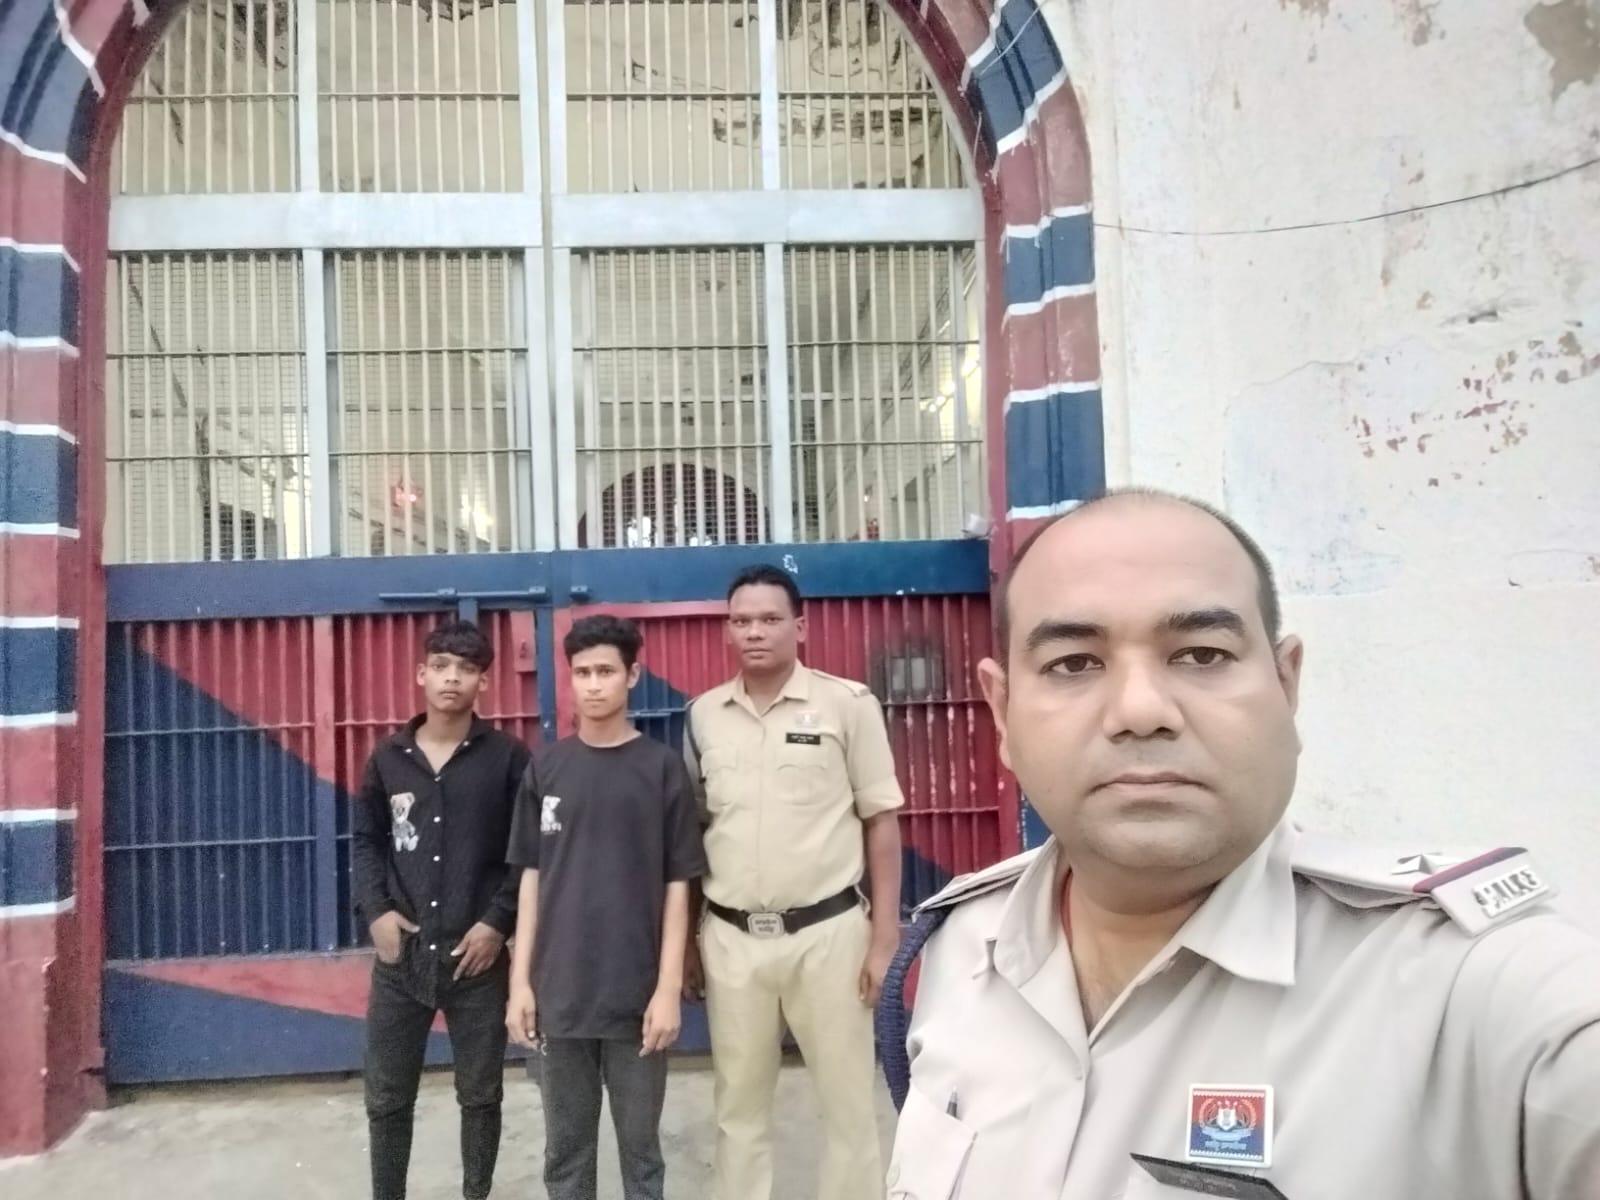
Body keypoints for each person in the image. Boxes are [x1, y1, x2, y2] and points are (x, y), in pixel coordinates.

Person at [878, 488, 1600, 1199]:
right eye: (1074, 663)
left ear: (1286, 685)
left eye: (1201, 654)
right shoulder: (961, 948)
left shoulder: (1472, 990)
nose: (1140, 710)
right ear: (1002, 712)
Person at [683, 563, 905, 1200]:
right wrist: (693, 942)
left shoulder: (847, 706)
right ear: (727, 630)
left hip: (829, 937)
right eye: (742, 621)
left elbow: (880, 822)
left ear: (800, 627)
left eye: (770, 619)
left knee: (848, 1108)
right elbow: (694, 832)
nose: (755, 632)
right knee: (738, 1110)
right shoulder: (703, 716)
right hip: (731, 941)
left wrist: (884, 938)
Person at [504, 614, 706, 1200]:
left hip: (635, 995)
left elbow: (678, 884)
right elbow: (531, 879)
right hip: (560, 994)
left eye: (606, 672)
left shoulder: (661, 769)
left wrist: (667, 989)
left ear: (632, 675)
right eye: (582, 673)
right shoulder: (546, 769)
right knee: (566, 1155)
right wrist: (520, 983)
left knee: (641, 1156)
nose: (593, 685)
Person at [351, 620, 531, 1200]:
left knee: (480, 1096)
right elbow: (367, 839)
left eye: (467, 669)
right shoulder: (388, 758)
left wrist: (497, 922)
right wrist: (377, 911)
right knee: (386, 1097)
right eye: (441, 666)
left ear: (484, 682)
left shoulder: (507, 758)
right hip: (401, 958)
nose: (452, 678)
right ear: (421, 674)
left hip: (477, 960)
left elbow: (526, 852)